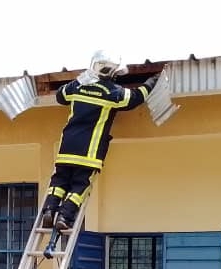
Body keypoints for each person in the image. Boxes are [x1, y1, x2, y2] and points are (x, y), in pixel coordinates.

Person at [41, 50, 160, 231]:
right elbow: (136, 97)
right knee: (80, 185)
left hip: (66, 149)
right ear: (112, 72)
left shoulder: (75, 87)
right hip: (89, 152)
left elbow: (60, 95)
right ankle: (64, 216)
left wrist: (80, 80)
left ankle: (49, 210)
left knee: (59, 182)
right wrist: (152, 81)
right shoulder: (113, 92)